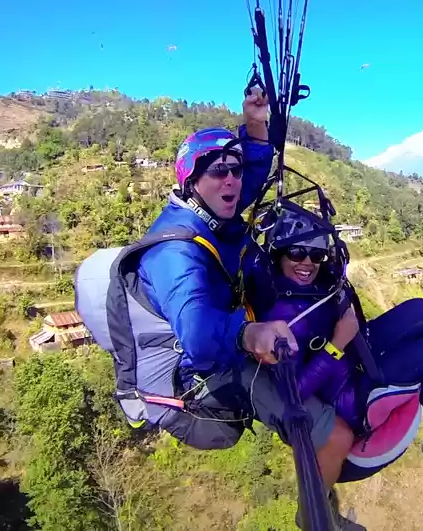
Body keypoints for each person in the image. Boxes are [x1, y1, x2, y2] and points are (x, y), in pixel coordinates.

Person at [129, 88, 360, 527]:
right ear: (191, 180)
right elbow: (198, 338)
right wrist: (248, 334)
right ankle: (314, 519)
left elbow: (252, 172)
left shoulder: (215, 208)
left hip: (234, 323)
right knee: (335, 437)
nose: (232, 180)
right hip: (204, 371)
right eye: (219, 172)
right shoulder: (175, 253)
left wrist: (255, 123)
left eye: (233, 171)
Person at [248, 209, 423, 476]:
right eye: (297, 253)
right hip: (348, 392)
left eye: (316, 254)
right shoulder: (282, 316)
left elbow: (323, 271)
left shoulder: (309, 282)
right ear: (280, 253)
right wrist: (336, 345)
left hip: (355, 349)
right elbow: (294, 391)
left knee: (422, 310)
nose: (307, 262)